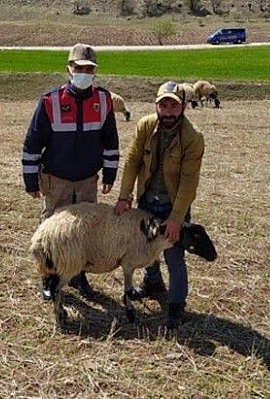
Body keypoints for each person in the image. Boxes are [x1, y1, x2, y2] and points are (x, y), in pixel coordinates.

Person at [22, 43, 120, 300]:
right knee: (53, 229)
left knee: (85, 230)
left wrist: (109, 175)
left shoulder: (103, 100)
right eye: (79, 68)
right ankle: (49, 276)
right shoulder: (50, 101)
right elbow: (33, 143)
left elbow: (111, 141)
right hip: (57, 179)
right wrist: (30, 179)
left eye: (89, 69)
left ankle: (78, 276)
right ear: (69, 68)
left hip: (88, 179)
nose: (84, 73)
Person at [114, 81, 205, 329]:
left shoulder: (193, 138)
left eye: (173, 106)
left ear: (183, 107)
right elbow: (133, 161)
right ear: (156, 105)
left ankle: (176, 306)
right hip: (146, 200)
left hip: (174, 203)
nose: (168, 111)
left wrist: (176, 218)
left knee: (174, 256)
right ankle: (152, 282)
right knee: (146, 248)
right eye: (163, 105)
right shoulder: (145, 125)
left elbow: (189, 182)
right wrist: (124, 196)